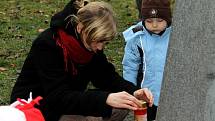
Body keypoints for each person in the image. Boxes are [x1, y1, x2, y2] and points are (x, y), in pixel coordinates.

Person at [10, 0, 154, 121]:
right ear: (80, 28)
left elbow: (106, 77)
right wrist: (105, 99)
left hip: (68, 102)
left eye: (104, 43)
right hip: (37, 108)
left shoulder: (89, 44)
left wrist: (134, 92)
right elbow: (58, 97)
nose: (99, 47)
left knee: (123, 105)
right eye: (98, 41)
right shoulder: (48, 45)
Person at [122, 0, 172, 120]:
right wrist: (130, 90)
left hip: (171, 93)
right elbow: (130, 66)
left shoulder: (176, 36)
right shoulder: (136, 39)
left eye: (160, 21)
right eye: (149, 21)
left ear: (168, 19)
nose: (154, 25)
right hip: (146, 95)